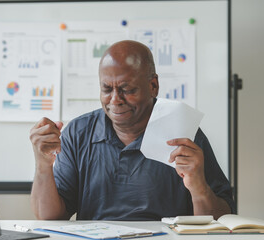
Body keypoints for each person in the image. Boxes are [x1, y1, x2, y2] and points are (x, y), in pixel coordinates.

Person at [29, 40, 235, 221]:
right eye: (107, 89)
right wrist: (43, 164)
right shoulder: (78, 133)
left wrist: (198, 188)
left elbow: (221, 221)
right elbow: (51, 217)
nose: (115, 100)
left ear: (153, 86)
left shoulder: (183, 133)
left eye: (127, 90)